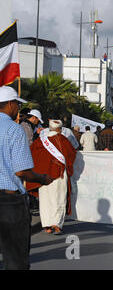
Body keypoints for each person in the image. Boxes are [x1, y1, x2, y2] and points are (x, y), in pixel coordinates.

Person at [0, 86, 53, 270]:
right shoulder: (14, 130)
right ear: (9, 104)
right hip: (9, 200)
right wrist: (42, 178)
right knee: (15, 258)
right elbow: (22, 171)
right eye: (16, 104)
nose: (18, 109)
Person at [30, 120, 77, 235]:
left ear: (49, 129)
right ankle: (56, 224)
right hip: (59, 174)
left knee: (45, 200)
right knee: (59, 198)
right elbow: (72, 154)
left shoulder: (39, 141)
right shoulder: (63, 140)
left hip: (42, 176)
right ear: (59, 129)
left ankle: (46, 224)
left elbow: (31, 155)